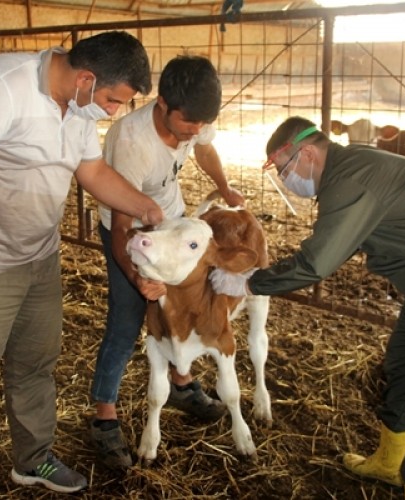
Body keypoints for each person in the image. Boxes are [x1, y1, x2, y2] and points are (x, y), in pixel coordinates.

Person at [0, 31, 164, 499]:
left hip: (39, 259)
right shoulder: (3, 86)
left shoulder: (79, 107)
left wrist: (145, 206)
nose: (113, 111)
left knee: (35, 366)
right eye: (111, 100)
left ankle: (33, 458)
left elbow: (92, 171)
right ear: (86, 78)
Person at [210, 116, 405, 499]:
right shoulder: (352, 169)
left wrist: (251, 281)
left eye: (285, 169)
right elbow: (339, 245)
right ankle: (391, 464)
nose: (287, 180)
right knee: (404, 367)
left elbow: (316, 263)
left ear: (307, 152)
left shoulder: (351, 179)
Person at [90, 55, 245, 469]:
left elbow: (206, 146)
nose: (193, 132)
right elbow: (123, 226)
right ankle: (105, 417)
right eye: (186, 125)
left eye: (200, 123)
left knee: (184, 305)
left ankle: (181, 383)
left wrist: (224, 187)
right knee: (126, 319)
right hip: (133, 232)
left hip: (173, 225)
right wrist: (138, 279)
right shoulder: (131, 142)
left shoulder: (195, 114)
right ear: (162, 105)